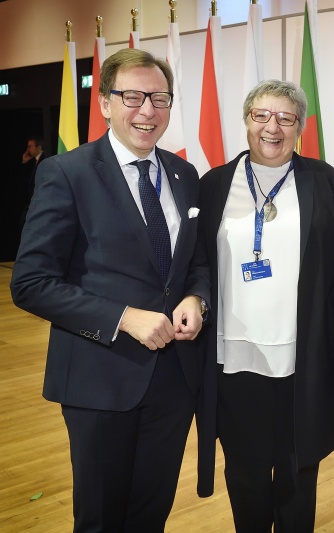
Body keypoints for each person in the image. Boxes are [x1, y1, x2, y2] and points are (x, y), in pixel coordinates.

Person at [10, 48, 209, 532]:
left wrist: (196, 298)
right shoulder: (66, 173)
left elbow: (196, 263)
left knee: (150, 513)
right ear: (104, 103)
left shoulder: (184, 175)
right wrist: (123, 316)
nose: (147, 110)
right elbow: (31, 283)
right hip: (99, 377)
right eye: (133, 96)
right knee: (100, 518)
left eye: (159, 98)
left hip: (173, 381)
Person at [193, 79, 334, 532]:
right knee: (245, 474)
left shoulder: (323, 179)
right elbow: (198, 262)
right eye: (261, 115)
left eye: (286, 117)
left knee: (300, 472)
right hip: (236, 358)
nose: (272, 127)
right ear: (246, 121)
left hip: (302, 357)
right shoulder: (215, 184)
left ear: (300, 126)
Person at [17, 136, 45, 230]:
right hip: (31, 202)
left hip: (39, 202)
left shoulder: (44, 159)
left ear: (39, 147)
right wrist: (24, 162)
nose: (28, 149)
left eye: (30, 146)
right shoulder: (33, 161)